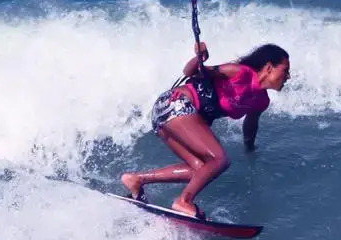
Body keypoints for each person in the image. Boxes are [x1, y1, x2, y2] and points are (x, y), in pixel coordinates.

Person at [120, 41, 290, 219]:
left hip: (172, 117)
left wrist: (250, 150)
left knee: (202, 170)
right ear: (269, 68)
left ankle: (137, 179)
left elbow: (250, 125)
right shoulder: (239, 72)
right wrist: (199, 57)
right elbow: (191, 72)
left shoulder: (261, 101)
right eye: (285, 70)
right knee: (220, 159)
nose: (288, 76)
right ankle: (184, 201)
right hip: (175, 104)